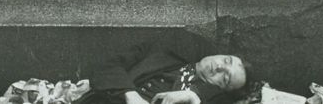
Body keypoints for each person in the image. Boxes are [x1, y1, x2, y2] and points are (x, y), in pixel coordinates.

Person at [77, 40, 251, 104]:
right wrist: (129, 94)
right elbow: (108, 65)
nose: (219, 67)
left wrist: (194, 95)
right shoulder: (167, 49)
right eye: (226, 60)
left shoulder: (200, 99)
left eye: (225, 78)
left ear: (222, 90)